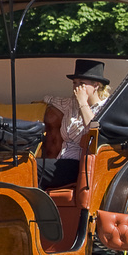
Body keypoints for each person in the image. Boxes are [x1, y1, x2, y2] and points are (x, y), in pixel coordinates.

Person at [38, 59, 110, 189]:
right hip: (61, 162)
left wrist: (83, 103)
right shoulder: (71, 103)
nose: (76, 88)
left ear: (96, 85)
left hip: (80, 165)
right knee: (26, 165)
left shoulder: (105, 108)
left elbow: (92, 130)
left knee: (33, 168)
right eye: (74, 83)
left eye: (81, 84)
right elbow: (50, 99)